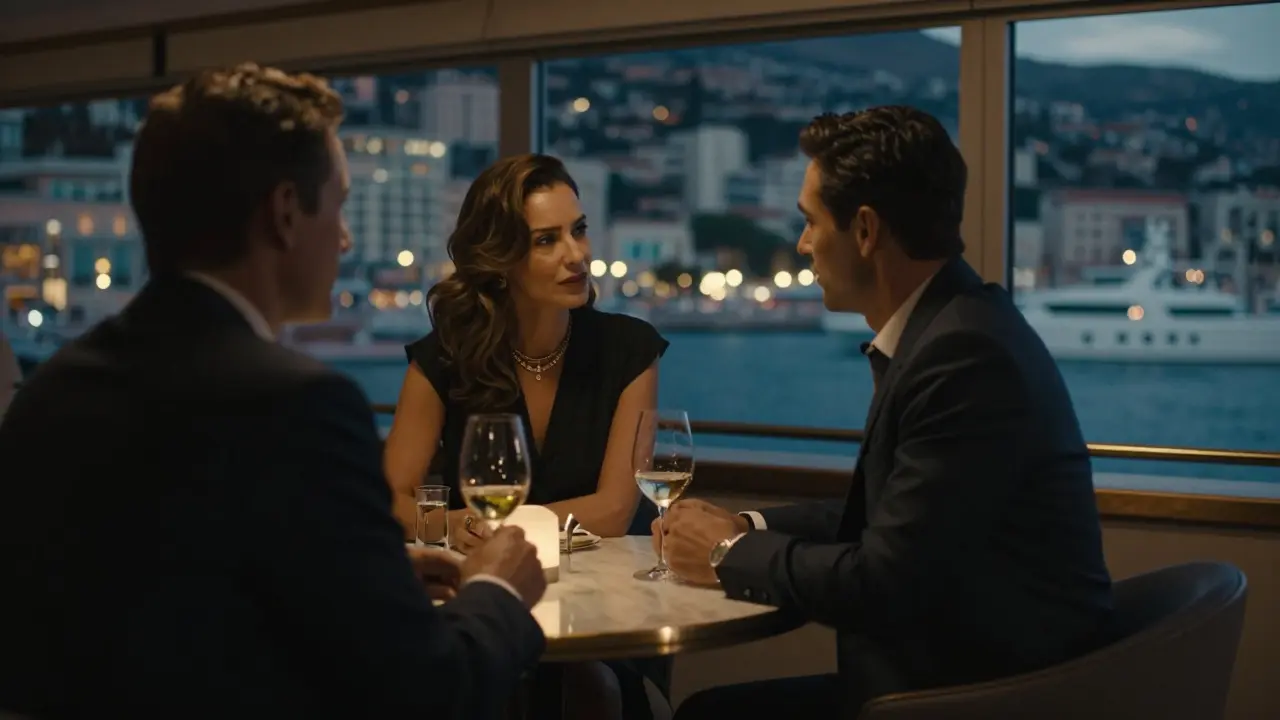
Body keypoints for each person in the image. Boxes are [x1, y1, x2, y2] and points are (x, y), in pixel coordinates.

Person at [0, 63, 548, 719]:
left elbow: (165, 599)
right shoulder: (298, 405)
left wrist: (351, 581)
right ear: (286, 212)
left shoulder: (50, 391)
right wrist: (497, 590)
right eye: (339, 205)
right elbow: (429, 691)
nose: (344, 237)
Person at [659, 106, 1114, 718]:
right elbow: (893, 520)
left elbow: (884, 583)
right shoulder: (960, 325)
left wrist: (726, 554)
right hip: (971, 674)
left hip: (980, 697)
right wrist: (746, 526)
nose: (802, 244)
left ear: (866, 231)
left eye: (810, 221)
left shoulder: (964, 354)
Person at [383, 153, 669, 720]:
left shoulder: (629, 349)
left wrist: (492, 530)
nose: (576, 254)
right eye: (546, 241)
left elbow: (614, 510)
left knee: (590, 684)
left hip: (604, 608)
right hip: (485, 597)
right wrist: (456, 527)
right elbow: (391, 497)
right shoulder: (445, 357)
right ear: (501, 259)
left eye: (578, 230)